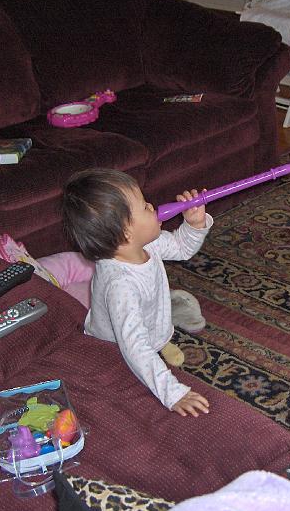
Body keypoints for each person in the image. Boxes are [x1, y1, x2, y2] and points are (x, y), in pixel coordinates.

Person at [62, 169, 211, 417]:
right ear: (126, 233)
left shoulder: (146, 244)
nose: (152, 206)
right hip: (114, 350)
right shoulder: (120, 286)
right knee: (139, 348)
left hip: (146, 325)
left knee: (148, 328)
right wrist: (173, 393)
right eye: (144, 206)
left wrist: (194, 225)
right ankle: (156, 354)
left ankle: (160, 342)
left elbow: (181, 247)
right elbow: (134, 346)